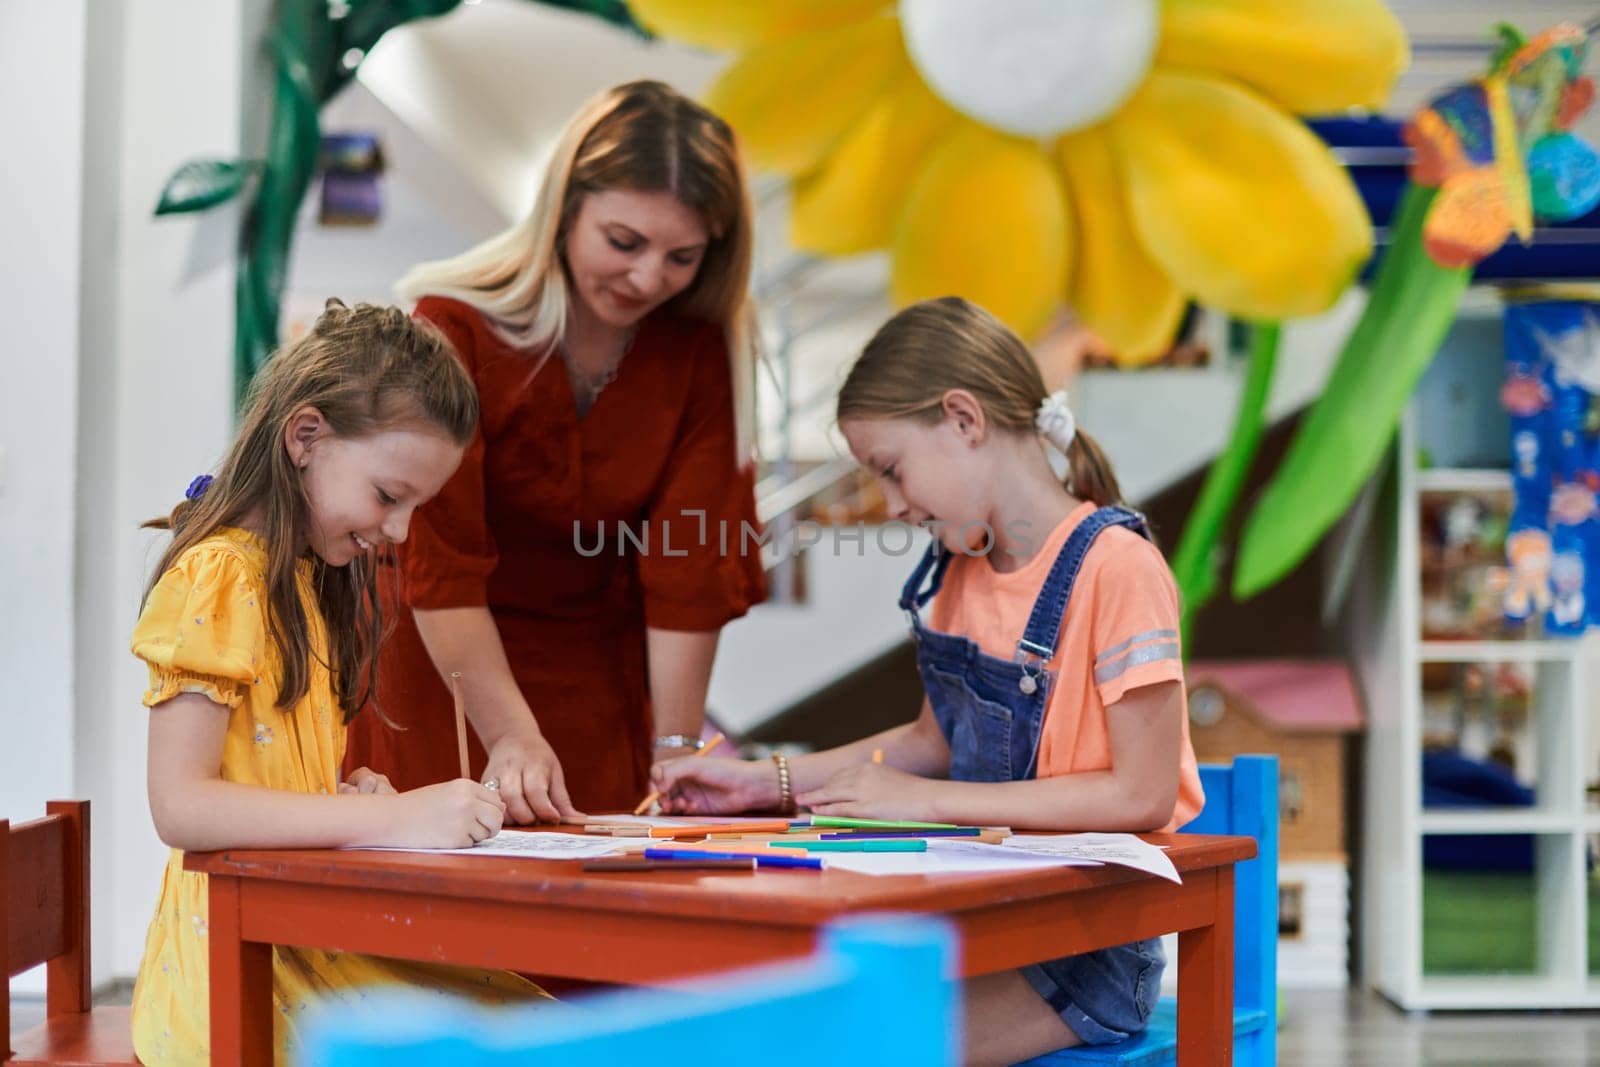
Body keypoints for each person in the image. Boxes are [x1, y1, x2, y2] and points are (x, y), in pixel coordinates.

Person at [653, 297, 1205, 1064]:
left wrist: (926, 803)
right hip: (971, 922)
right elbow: (929, 742)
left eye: (891, 469)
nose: (893, 503)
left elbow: (1141, 795)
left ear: (963, 419)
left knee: (839, 1044)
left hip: (1082, 956)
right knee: (759, 1012)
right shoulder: (958, 569)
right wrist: (760, 782)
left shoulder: (1119, 568)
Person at [129, 301, 547, 1065]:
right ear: (306, 436)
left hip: (283, 936)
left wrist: (344, 802)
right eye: (390, 496)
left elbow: (259, 779)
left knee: (536, 1023)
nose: (399, 531)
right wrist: (390, 824)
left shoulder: (301, 577)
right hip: (234, 968)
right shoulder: (221, 573)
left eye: (416, 507)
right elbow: (181, 805)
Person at [344, 79, 767, 819]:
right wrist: (510, 735)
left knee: (588, 896)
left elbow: (688, 568)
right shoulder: (454, 329)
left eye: (682, 256)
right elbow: (440, 570)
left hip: (594, 682)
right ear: (565, 208)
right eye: (624, 242)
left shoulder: (700, 352)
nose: (647, 278)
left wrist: (674, 747)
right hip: (438, 670)